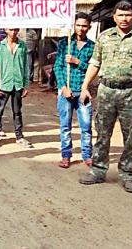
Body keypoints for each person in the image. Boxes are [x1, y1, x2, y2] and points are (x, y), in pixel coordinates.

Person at [79, 1, 132, 193]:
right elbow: (95, 63)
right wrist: (84, 87)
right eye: (120, 15)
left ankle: (128, 174)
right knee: (102, 133)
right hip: (106, 91)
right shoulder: (104, 37)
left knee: (131, 136)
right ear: (114, 16)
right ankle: (98, 170)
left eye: (128, 15)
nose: (124, 19)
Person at [54, 12, 95, 168]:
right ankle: (66, 156)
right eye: (78, 25)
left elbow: (94, 68)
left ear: (89, 27)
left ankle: (87, 155)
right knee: (65, 126)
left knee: (86, 126)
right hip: (66, 91)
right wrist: (63, 87)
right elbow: (58, 66)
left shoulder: (92, 46)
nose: (81, 28)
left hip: (83, 91)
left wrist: (77, 61)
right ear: (74, 25)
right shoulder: (65, 43)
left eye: (84, 25)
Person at [0, 28, 31, 148]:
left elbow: (25, 67)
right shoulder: (0, 46)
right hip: (4, 83)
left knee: (17, 112)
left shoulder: (22, 46)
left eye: (15, 30)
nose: (13, 32)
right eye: (10, 29)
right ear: (6, 30)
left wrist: (26, 84)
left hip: (17, 84)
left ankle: (19, 136)